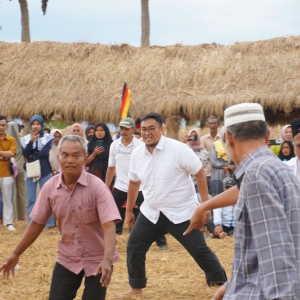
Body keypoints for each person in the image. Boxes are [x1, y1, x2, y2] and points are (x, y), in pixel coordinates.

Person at [186, 103, 300, 300]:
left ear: (229, 138)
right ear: (267, 135)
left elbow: (276, 258)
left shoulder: (256, 175)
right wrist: (232, 286)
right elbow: (262, 250)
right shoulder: (278, 169)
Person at [0, 135, 121, 300]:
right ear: (58, 158)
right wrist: (15, 254)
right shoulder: (50, 187)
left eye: (76, 155)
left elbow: (109, 226)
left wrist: (107, 260)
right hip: (68, 257)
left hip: (98, 259)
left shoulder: (97, 187)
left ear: (85, 158)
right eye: (65, 155)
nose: (70, 160)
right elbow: (36, 223)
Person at [122, 113, 226, 297]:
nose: (147, 133)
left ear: (162, 129)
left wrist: (205, 205)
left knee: (199, 249)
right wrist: (130, 210)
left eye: (151, 128)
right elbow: (133, 183)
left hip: (182, 212)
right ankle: (136, 288)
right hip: (151, 212)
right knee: (134, 245)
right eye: (143, 129)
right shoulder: (137, 154)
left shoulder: (179, 149)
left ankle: (221, 284)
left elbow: (199, 173)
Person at [105, 118, 168, 250]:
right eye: (121, 128)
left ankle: (161, 242)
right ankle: (112, 240)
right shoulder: (114, 145)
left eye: (127, 128)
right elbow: (111, 167)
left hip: (139, 187)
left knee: (151, 211)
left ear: (133, 129)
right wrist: (106, 187)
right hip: (120, 186)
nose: (123, 131)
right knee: (110, 214)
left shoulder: (140, 146)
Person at [21, 115, 55, 228]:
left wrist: (32, 155)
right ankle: (31, 223)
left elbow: (45, 153)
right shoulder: (25, 138)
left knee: (47, 197)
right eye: (33, 124)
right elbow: (25, 154)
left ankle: (49, 223)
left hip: (45, 170)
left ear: (41, 125)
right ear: (31, 126)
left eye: (38, 124)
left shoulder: (48, 137)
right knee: (31, 198)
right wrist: (31, 142)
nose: (36, 126)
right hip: (31, 170)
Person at [7, 121, 26, 221]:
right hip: (21, 168)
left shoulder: (7, 141)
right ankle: (22, 215)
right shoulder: (21, 140)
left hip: (10, 169)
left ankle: (14, 216)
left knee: (12, 192)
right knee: (22, 192)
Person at [0, 116, 17, 231]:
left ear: (6, 126)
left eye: (3, 125)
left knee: (7, 198)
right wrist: (4, 155)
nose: (1, 127)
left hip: (6, 172)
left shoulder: (11, 139)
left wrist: (4, 155)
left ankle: (8, 222)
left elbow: (12, 153)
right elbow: (8, 154)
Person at [183, 128, 209, 200]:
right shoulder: (183, 149)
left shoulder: (203, 151)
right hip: (185, 183)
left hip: (198, 182)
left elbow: (202, 164)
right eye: (191, 136)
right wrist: (184, 143)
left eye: (195, 136)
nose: (193, 138)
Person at [210, 127, 235, 197]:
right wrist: (227, 165)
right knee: (217, 196)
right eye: (225, 134)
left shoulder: (234, 145)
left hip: (231, 173)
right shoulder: (214, 145)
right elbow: (214, 162)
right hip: (218, 174)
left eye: (228, 134)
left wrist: (233, 167)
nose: (227, 136)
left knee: (230, 195)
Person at [200, 116, 221, 191]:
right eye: (210, 123)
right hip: (206, 172)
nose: (212, 125)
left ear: (218, 125)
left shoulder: (222, 138)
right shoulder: (203, 139)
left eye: (214, 123)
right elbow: (200, 154)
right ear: (208, 125)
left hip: (219, 173)